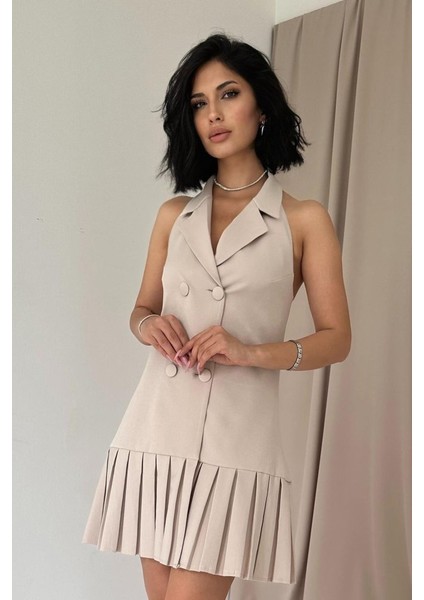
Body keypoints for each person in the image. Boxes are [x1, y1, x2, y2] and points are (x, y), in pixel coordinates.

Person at [82, 33, 351, 600]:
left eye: (229, 94)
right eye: (199, 103)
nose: (214, 114)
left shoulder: (304, 220)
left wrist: (249, 351)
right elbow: (141, 309)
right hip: (157, 430)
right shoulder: (173, 215)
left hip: (237, 441)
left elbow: (337, 339)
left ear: (262, 105)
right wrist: (148, 326)